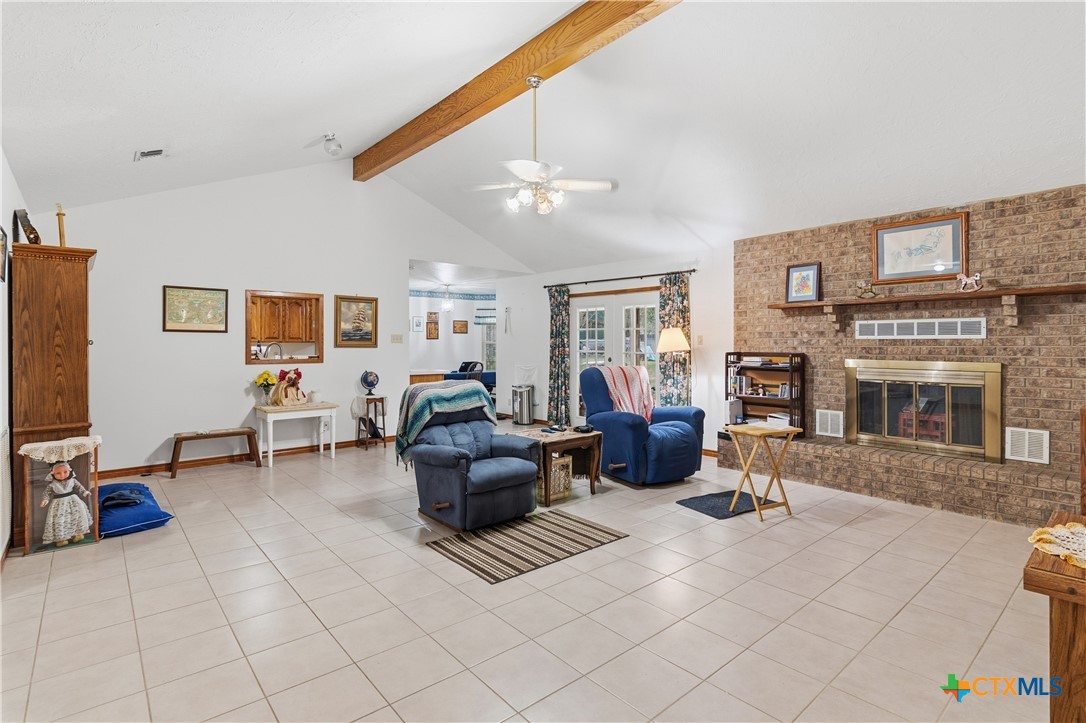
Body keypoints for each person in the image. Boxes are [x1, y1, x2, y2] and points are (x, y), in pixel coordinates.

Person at [40, 461, 93, 547]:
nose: (62, 475)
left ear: (70, 471)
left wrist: (85, 492)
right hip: (59, 504)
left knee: (75, 517)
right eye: (58, 473)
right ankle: (61, 538)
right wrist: (45, 500)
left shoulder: (72, 480)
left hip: (73, 501)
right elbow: (47, 493)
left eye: (65, 472)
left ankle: (77, 534)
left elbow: (79, 487)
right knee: (60, 520)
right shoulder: (52, 485)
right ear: (52, 474)